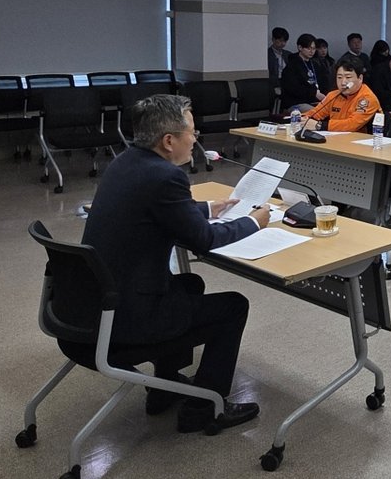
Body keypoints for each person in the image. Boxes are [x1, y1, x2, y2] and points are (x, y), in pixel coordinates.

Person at [82, 94, 268, 433]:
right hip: (126, 318)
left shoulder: (127, 162)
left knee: (189, 284)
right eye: (191, 132)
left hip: (91, 305)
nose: (195, 139)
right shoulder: (166, 177)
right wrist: (254, 222)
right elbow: (203, 240)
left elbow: (157, 209)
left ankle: (164, 388)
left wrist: (207, 208)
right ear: (168, 141)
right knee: (233, 307)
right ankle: (204, 409)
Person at [302, 61, 381, 133]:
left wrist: (319, 125)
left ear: (360, 78)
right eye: (339, 77)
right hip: (335, 138)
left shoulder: (367, 98)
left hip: (360, 140)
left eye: (348, 77)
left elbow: (352, 124)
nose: (343, 82)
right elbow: (315, 113)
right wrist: (302, 118)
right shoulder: (333, 95)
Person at [280, 33, 326, 112]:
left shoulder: (315, 64)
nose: (312, 51)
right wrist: (314, 93)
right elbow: (293, 89)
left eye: (314, 48)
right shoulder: (292, 65)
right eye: (308, 48)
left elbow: (323, 82)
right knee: (318, 112)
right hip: (296, 103)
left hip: (314, 100)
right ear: (300, 47)